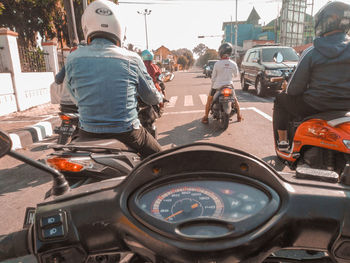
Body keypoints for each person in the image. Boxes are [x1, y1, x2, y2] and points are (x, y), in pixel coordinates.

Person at [65, 0, 163, 158]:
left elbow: (73, 94)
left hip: (87, 132)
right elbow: (150, 97)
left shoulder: (73, 58)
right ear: (120, 29)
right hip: (127, 133)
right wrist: (159, 97)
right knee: (162, 160)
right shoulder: (132, 58)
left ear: (86, 26)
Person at [273, 1, 350, 151]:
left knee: (281, 99)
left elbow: (293, 90)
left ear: (323, 23)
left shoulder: (312, 51)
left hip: (314, 106)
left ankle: (283, 142)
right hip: (346, 107)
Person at [201, 42, 243, 124]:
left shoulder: (217, 64)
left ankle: (206, 117)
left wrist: (213, 85)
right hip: (229, 86)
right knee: (235, 100)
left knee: (209, 100)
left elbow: (213, 77)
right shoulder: (233, 64)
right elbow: (236, 75)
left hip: (217, 86)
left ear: (221, 52)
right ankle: (239, 116)